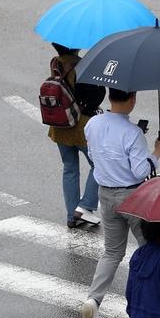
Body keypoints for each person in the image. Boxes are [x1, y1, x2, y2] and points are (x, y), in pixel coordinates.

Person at [79, 88, 160, 318]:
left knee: (112, 252)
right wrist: (157, 152)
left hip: (105, 194)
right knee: (148, 249)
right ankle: (149, 301)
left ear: (109, 97)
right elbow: (140, 171)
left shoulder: (93, 124)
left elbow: (97, 155)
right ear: (132, 98)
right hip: (133, 197)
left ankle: (93, 300)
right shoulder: (132, 133)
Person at [47, 45, 107, 228]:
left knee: (70, 168)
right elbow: (95, 96)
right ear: (75, 47)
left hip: (59, 124)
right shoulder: (82, 66)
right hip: (80, 126)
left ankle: (71, 215)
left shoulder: (55, 63)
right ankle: (85, 206)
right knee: (99, 165)